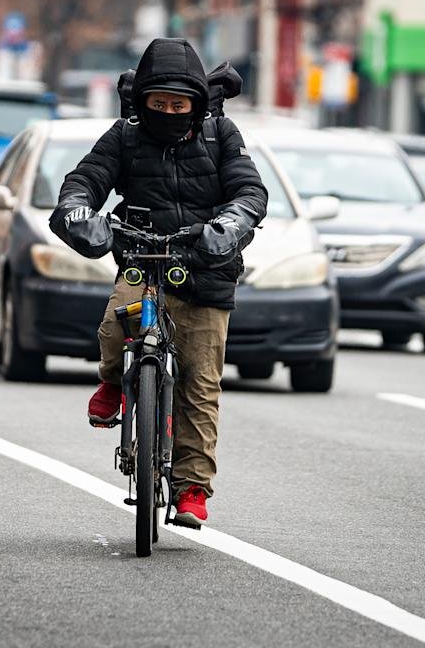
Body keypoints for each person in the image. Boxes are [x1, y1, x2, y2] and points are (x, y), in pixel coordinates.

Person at [49, 38, 267, 527]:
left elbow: (250, 190)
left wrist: (229, 224)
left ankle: (192, 489)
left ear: (196, 104)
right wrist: (80, 212)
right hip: (142, 258)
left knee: (200, 384)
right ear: (143, 100)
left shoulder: (221, 134)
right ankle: (113, 383)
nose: (168, 112)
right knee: (115, 325)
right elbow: (84, 180)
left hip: (207, 267)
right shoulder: (124, 135)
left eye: (178, 105)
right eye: (159, 103)